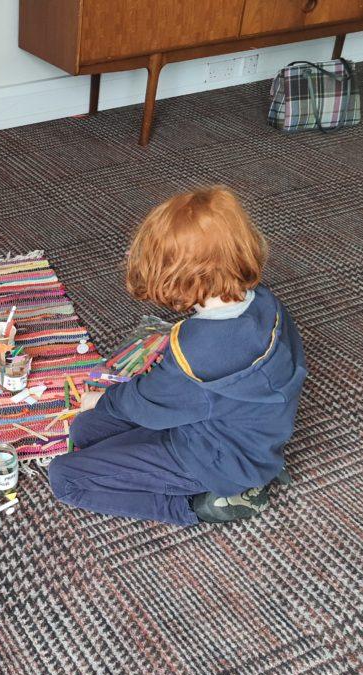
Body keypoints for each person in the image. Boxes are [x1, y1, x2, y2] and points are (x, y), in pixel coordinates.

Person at [48, 187, 306, 525]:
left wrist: (103, 399)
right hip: (232, 429)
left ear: (176, 276)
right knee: (85, 431)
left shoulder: (197, 352)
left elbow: (149, 403)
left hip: (218, 460)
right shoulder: (264, 302)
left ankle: (201, 506)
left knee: (64, 475)